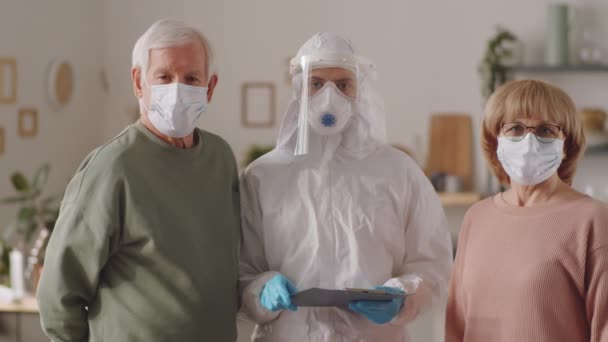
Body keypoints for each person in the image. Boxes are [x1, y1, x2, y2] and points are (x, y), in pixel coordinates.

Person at [239, 32, 453, 341]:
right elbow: (241, 270)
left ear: (359, 90)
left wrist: (401, 296)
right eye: (316, 83)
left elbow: (433, 264)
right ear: (299, 89)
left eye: (342, 85)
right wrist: (261, 290)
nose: (330, 96)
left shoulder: (399, 171)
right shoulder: (263, 176)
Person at [37, 18, 241, 341]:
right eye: (164, 76)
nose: (177, 89)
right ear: (138, 82)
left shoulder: (221, 159)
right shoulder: (112, 168)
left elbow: (233, 262)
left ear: (210, 87)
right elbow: (57, 297)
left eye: (191, 78)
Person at [445, 80, 608, 342]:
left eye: (546, 130)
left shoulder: (593, 219)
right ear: (495, 138)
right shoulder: (477, 217)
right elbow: (457, 323)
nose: (529, 141)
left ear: (566, 144)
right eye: (515, 128)